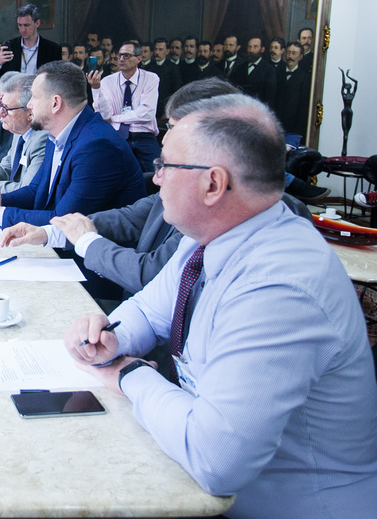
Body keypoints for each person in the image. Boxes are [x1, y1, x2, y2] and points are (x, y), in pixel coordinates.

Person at [64, 94, 377, 519]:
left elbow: (215, 460)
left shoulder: (280, 286)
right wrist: (109, 335)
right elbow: (149, 310)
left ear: (213, 183)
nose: (155, 180)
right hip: (196, 483)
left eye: (165, 166)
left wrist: (129, 374)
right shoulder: (208, 235)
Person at [0, 78, 311, 300]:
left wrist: (85, 241)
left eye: (174, 129)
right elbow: (131, 219)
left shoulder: (233, 217)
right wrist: (53, 232)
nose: (158, 175)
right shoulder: (193, 189)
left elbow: (152, 276)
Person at [0, 61, 145, 228]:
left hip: (89, 254)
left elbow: (63, 220)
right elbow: (35, 191)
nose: (29, 105)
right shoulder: (57, 134)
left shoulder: (97, 146)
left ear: (55, 103)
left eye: (34, 98)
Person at [88, 40, 160, 172]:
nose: (121, 59)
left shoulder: (150, 78)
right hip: (117, 134)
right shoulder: (107, 81)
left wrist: (116, 118)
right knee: (109, 171)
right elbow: (104, 115)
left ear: (139, 58)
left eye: (126, 56)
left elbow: (147, 113)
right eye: (119, 56)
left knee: (158, 173)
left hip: (143, 134)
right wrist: (96, 88)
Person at [0, 4, 62, 90]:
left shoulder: (52, 49)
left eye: (26, 25)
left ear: (37, 23)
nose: (22, 29)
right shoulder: (10, 46)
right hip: (13, 99)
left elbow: (58, 81)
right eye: (19, 25)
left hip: (39, 98)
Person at [142, 37, 181, 130]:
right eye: (155, 49)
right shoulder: (148, 68)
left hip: (165, 110)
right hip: (150, 109)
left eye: (160, 49)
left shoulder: (173, 68)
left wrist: (168, 111)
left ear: (167, 51)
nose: (157, 52)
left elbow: (176, 91)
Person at [274, 41, 310, 138]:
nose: (290, 56)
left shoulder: (304, 78)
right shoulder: (276, 73)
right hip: (276, 125)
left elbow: (303, 107)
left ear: (300, 57)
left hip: (293, 127)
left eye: (294, 53)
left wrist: (298, 132)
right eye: (288, 52)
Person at [229, 36, 277, 107]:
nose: (251, 50)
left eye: (255, 47)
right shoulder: (239, 68)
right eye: (249, 47)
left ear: (262, 49)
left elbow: (270, 97)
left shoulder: (269, 69)